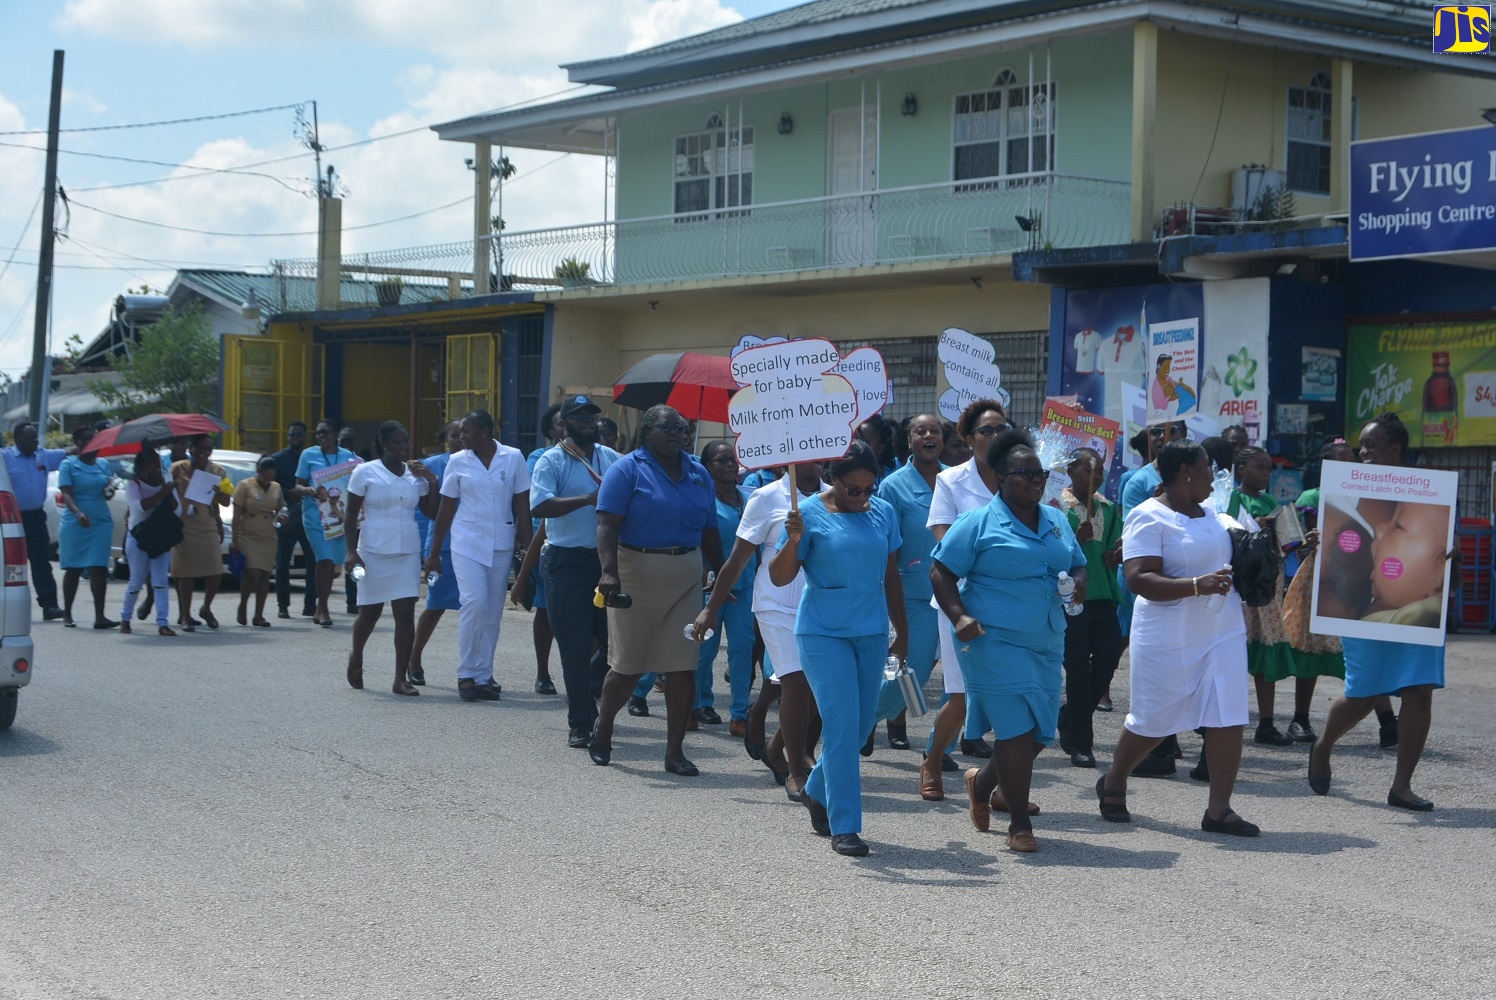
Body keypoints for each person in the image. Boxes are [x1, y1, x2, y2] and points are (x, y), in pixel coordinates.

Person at [931, 429, 1087, 852]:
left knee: (1040, 732)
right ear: (1001, 479)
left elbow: (1077, 565)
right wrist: (959, 616)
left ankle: (981, 783)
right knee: (1016, 732)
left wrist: (1077, 584)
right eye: (1025, 475)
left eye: (1040, 474)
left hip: (1046, 638)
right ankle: (1018, 822)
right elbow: (940, 571)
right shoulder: (977, 522)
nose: (1036, 481)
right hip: (990, 639)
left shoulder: (1056, 520)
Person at [1097, 439, 1260, 838]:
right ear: (1186, 471)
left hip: (1220, 630)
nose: (1214, 475)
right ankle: (1115, 780)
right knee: (1155, 720)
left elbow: (1254, 552)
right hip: (1167, 633)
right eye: (1208, 466)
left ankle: (1218, 810)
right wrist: (1195, 585)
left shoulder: (1216, 515)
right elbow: (1138, 578)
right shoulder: (1148, 516)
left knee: (1229, 712)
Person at [772, 441, 908, 858]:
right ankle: (846, 825)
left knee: (863, 725)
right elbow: (780, 578)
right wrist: (793, 541)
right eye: (855, 489)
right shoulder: (806, 514)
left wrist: (902, 632)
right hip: (822, 633)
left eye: (871, 487)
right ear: (833, 479)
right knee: (841, 725)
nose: (864, 496)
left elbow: (891, 574)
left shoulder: (882, 512)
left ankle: (815, 789)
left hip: (870, 632)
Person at [1309, 413, 1447, 811]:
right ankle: (1323, 746)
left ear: (1395, 449)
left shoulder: (1431, 492)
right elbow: (1337, 555)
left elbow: (1444, 568)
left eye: (1370, 445)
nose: (1363, 452)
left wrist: (1449, 561)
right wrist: (1322, 544)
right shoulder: (1346, 491)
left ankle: (1401, 786)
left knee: (1418, 691)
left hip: (1417, 608)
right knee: (1364, 695)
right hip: (1365, 612)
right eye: (1362, 445)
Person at [592, 405, 724, 775]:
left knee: (683, 668)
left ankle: (674, 753)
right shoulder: (626, 469)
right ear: (648, 431)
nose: (677, 434)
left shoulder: (698, 472)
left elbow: (710, 530)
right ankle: (603, 728)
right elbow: (607, 525)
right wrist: (608, 573)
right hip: (636, 572)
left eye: (683, 429)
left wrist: (721, 574)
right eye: (668, 427)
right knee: (628, 667)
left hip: (686, 575)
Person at [695, 461, 826, 798]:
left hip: (818, 606)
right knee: (795, 685)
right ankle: (795, 771)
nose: (820, 457)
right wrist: (711, 608)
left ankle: (775, 747)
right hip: (775, 606)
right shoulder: (765, 498)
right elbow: (738, 558)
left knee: (815, 691)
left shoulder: (834, 496)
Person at [920, 398, 1008, 792]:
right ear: (969, 438)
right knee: (960, 696)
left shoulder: (1021, 476)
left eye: (1001, 429)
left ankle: (1007, 785)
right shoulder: (951, 480)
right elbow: (943, 544)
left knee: (1011, 696)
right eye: (987, 430)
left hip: (1012, 602)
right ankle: (933, 760)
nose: (995, 436)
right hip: (961, 602)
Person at [530, 395, 620, 748]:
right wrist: (587, 499)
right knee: (575, 645)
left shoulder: (610, 457)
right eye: (579, 416)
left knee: (613, 643)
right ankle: (581, 722)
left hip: (605, 562)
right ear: (564, 423)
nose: (588, 421)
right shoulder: (552, 461)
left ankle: (587, 691)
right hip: (566, 562)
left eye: (591, 416)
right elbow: (539, 505)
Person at [424, 411, 531, 702]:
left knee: (493, 611)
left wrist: (528, 546)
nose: (460, 438)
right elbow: (446, 507)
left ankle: (484, 675)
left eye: (466, 432)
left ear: (484, 432)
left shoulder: (513, 457)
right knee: (474, 602)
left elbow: (522, 504)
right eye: (459, 433)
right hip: (466, 542)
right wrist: (434, 553)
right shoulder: (458, 461)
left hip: (501, 542)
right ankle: (466, 673)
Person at [871, 414, 944, 766]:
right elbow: (886, 549)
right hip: (912, 592)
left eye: (935, 431)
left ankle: (939, 745)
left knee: (941, 675)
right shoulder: (894, 486)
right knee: (912, 667)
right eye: (921, 431)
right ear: (909, 439)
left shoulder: (954, 481)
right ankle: (862, 718)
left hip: (955, 592)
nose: (929, 435)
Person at [346, 421, 440, 695]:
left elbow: (431, 511)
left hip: (407, 551)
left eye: (405, 442)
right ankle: (356, 656)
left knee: (405, 615)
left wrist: (432, 480)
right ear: (384, 444)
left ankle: (400, 678)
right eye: (397, 442)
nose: (403, 447)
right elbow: (350, 514)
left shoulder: (416, 475)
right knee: (369, 614)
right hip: (373, 551)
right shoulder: (365, 472)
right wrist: (352, 552)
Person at [1280, 440, 1356, 743]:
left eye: (1352, 461)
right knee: (1312, 645)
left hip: (1357, 574)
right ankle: (1300, 719)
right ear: (1326, 467)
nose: (1349, 466)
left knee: (1357, 648)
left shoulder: (1366, 494)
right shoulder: (1313, 496)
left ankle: (1387, 721)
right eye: (1341, 461)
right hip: (1322, 576)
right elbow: (1314, 538)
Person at [1056, 447, 1124, 769]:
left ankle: (1070, 714)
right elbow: (1054, 551)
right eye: (1088, 471)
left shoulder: (1107, 508)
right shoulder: (1057, 506)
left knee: (1109, 660)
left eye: (1101, 473)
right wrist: (1074, 540)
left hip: (1103, 595)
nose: (1096, 478)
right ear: (1071, 471)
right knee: (1078, 670)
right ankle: (1082, 743)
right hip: (1072, 599)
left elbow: (1111, 548)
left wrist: (1114, 557)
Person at [1226, 446, 1297, 747]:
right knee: (1234, 653)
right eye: (1259, 468)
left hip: (1268, 585)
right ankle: (1227, 719)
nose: (1265, 474)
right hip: (1241, 585)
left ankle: (1266, 722)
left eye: (1268, 469)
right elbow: (1227, 533)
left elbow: (1288, 543)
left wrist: (1287, 534)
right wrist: (1255, 528)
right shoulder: (1232, 499)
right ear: (1241, 469)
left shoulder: (1270, 501)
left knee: (1266, 647)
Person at [688, 440, 760, 731]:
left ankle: (740, 714)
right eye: (722, 459)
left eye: (733, 459)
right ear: (708, 467)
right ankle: (693, 705)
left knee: (742, 650)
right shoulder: (703, 500)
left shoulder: (750, 497)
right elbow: (697, 541)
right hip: (711, 587)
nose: (731, 464)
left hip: (745, 587)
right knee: (704, 650)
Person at [510, 404, 564, 695]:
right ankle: (543, 672)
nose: (567, 427)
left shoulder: (598, 456)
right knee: (545, 609)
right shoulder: (540, 458)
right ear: (550, 430)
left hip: (587, 541)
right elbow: (541, 497)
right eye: (561, 423)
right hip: (548, 540)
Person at [409, 421, 462, 687]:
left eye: (464, 434)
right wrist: (432, 480)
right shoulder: (431, 465)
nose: (460, 440)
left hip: (475, 546)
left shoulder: (483, 461)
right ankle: (413, 658)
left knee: (477, 612)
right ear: (446, 438)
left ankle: (477, 668)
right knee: (436, 605)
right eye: (454, 435)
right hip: (443, 546)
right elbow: (430, 512)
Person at [295, 420, 359, 627]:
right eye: (319, 433)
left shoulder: (348, 456)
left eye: (326, 432)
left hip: (339, 516)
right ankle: (323, 607)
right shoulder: (309, 455)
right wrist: (307, 491)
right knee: (323, 559)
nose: (322, 436)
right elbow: (299, 485)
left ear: (336, 434)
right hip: (316, 516)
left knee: (333, 564)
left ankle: (319, 605)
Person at [2, 421, 68, 620]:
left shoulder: (43, 456)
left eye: (35, 437)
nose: (34, 441)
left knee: (41, 562)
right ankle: (6, 606)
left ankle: (49, 606)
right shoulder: (4, 457)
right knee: (6, 563)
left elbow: (68, 452)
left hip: (35, 518)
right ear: (17, 439)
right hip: (10, 519)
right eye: (30, 437)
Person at [57, 425, 118, 629]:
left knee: (99, 567)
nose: (87, 442)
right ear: (76, 442)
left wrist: (110, 491)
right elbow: (67, 493)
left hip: (100, 521)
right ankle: (67, 613)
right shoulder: (68, 465)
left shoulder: (102, 464)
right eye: (83, 439)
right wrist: (78, 513)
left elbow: (106, 492)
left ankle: (100, 616)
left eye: (91, 439)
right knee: (73, 568)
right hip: (76, 520)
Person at [168, 436, 230, 631]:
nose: (202, 452)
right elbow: (168, 492)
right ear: (191, 448)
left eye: (207, 449)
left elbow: (226, 502)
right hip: (183, 523)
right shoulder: (178, 468)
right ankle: (185, 615)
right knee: (185, 572)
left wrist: (218, 492)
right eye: (199, 448)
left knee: (215, 570)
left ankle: (206, 608)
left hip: (206, 522)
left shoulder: (218, 471)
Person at [117, 446, 177, 636]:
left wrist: (170, 490)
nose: (156, 466)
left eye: (158, 461)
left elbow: (177, 508)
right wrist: (161, 493)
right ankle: (125, 619)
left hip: (160, 536)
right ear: (142, 465)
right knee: (136, 581)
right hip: (138, 537)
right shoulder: (134, 485)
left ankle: (163, 622)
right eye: (152, 462)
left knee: (160, 581)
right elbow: (141, 506)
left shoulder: (166, 482)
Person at [271, 421, 317, 620]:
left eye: (299, 435)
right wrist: (287, 492)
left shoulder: (312, 457)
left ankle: (310, 605)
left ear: (305, 436)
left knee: (313, 562)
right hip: (287, 516)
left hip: (309, 517)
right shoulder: (278, 459)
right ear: (288, 437)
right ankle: (283, 605)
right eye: (292, 435)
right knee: (282, 564)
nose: (295, 438)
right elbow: (268, 483)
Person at [231, 456, 284, 628]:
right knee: (253, 572)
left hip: (268, 535)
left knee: (265, 576)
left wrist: (283, 517)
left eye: (271, 477)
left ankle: (258, 615)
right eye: (265, 476)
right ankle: (242, 606)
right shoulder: (245, 485)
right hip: (248, 534)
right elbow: (236, 514)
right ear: (258, 472)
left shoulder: (276, 487)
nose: (268, 480)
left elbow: (281, 509)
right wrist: (235, 540)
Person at [856, 414, 899, 480]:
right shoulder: (847, 473)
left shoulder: (897, 473)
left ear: (880, 449)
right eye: (857, 439)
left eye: (865, 441)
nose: (858, 444)